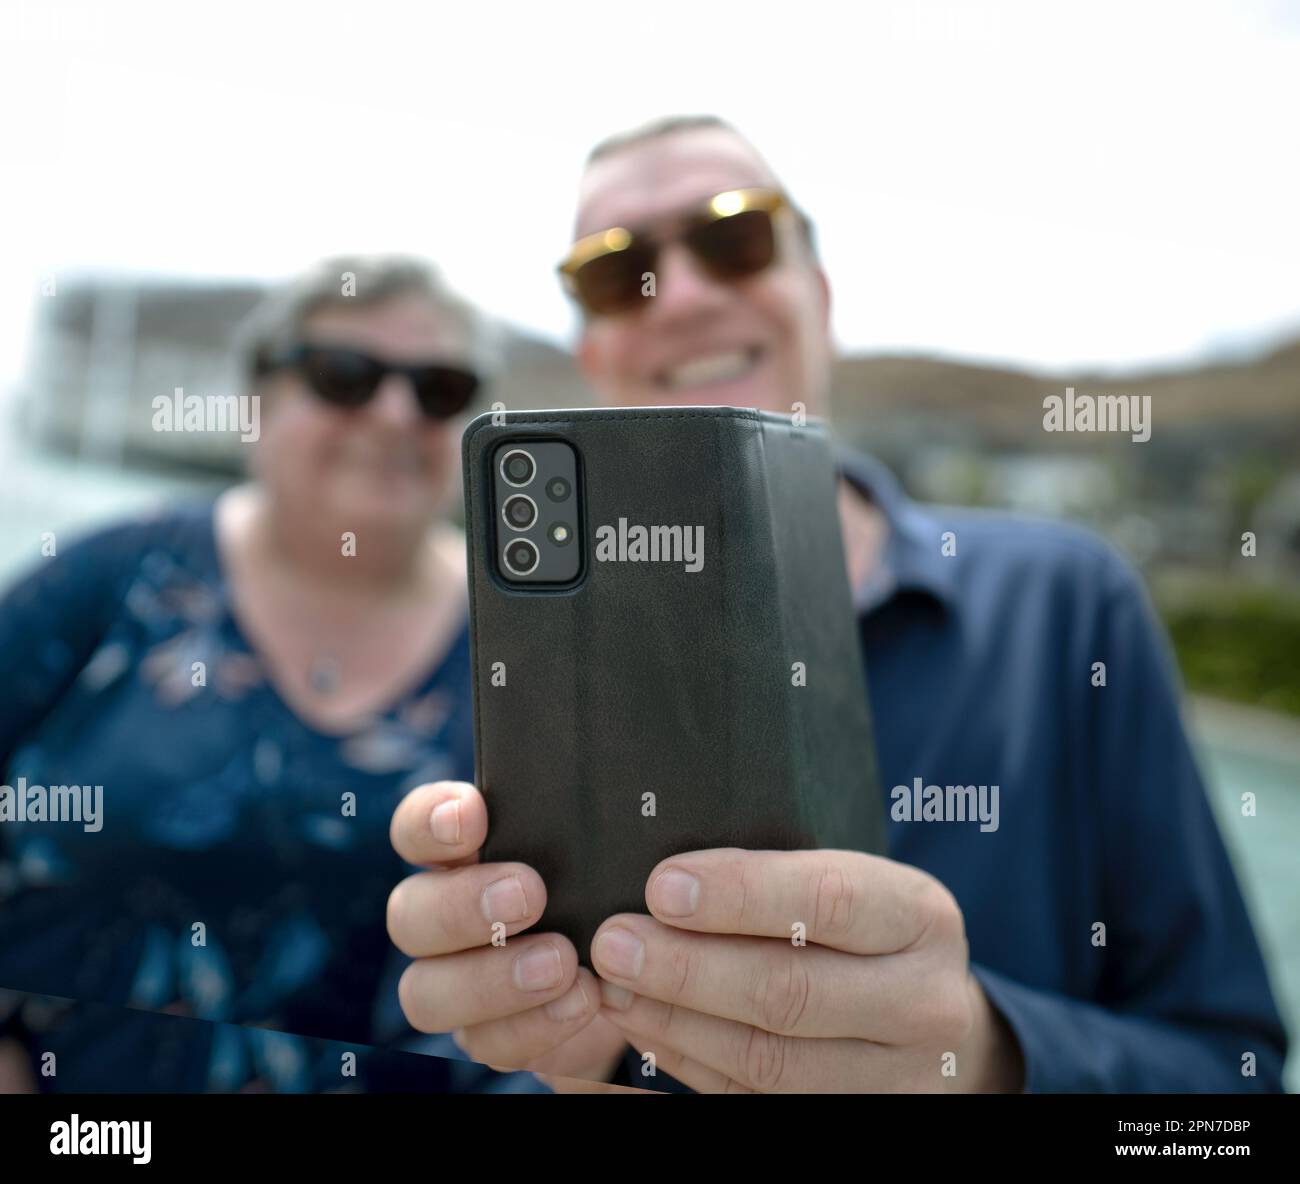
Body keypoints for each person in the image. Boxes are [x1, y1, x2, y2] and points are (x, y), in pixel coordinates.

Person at [386, 117, 1289, 1093]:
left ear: (818, 296)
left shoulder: (1065, 604)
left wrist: (985, 1057)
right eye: (616, 272)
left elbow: (1228, 1088)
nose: (679, 291)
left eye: (734, 236)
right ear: (593, 347)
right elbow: (449, 1053)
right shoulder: (513, 645)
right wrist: (567, 1051)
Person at [0, 256, 543, 1092]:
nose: (396, 413)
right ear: (258, 400)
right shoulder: (116, 577)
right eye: (344, 376)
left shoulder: (529, 649)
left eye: (438, 388)